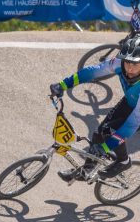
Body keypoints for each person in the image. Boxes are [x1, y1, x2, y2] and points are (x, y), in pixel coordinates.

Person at [50, 36, 140, 181]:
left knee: (110, 131)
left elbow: (132, 124)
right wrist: (63, 84)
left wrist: (106, 147)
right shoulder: (119, 62)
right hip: (131, 101)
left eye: (135, 64)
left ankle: (123, 161)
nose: (129, 68)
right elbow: (93, 72)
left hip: (138, 113)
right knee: (98, 133)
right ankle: (86, 171)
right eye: (127, 62)